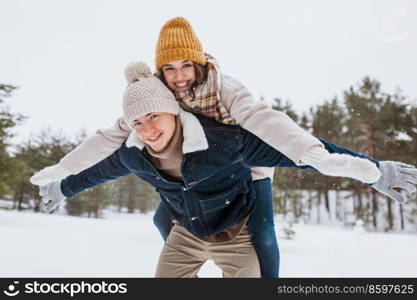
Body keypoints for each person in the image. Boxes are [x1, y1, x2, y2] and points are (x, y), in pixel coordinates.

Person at [30, 17, 417, 278]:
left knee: (263, 234)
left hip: (244, 160)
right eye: (170, 69)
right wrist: (63, 179)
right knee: (162, 220)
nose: (179, 77)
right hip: (191, 175)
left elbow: (273, 128)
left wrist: (369, 169)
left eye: (186, 66)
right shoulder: (154, 98)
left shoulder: (226, 89)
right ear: (159, 72)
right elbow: (109, 149)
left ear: (198, 63)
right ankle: (195, 253)